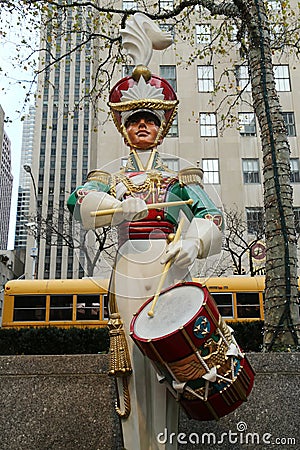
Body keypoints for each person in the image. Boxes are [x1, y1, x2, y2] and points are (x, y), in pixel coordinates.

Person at [67, 65, 224, 450]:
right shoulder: (111, 179)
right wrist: (116, 208)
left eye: (150, 119)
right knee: (135, 364)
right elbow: (78, 201)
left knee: (171, 358)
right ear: (123, 128)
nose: (141, 125)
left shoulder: (180, 178)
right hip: (128, 270)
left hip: (170, 268)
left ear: (161, 127)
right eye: (134, 119)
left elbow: (212, 217)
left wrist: (193, 243)